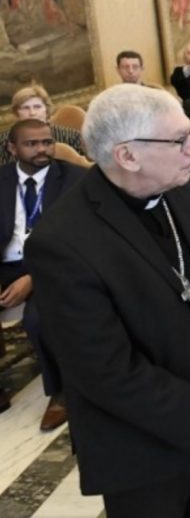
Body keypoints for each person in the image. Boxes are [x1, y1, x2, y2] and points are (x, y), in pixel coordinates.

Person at [25, 83, 190, 518]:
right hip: (140, 445)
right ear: (127, 155)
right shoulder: (61, 240)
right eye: (179, 140)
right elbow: (100, 368)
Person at [0, 119, 86, 425]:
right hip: (7, 264)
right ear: (12, 148)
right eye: (31, 144)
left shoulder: (76, 179)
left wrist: (33, 278)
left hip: (53, 267)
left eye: (47, 142)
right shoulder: (2, 180)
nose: (42, 149)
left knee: (38, 318)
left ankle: (61, 391)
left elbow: (81, 240)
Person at [0, 85, 85, 165]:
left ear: (46, 110)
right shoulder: (5, 141)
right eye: (25, 108)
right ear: (17, 113)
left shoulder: (70, 136)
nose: (32, 113)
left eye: (37, 107)